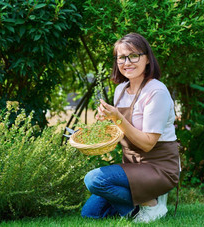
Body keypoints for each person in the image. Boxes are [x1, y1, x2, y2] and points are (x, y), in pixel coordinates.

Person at [81, 33, 180, 223]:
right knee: (90, 213)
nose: (127, 62)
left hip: (158, 167)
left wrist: (118, 118)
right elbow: (121, 130)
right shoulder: (120, 90)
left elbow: (148, 143)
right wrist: (106, 123)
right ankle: (141, 204)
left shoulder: (156, 91)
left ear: (147, 59)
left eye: (134, 56)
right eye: (121, 57)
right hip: (132, 166)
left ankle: (151, 205)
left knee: (94, 179)